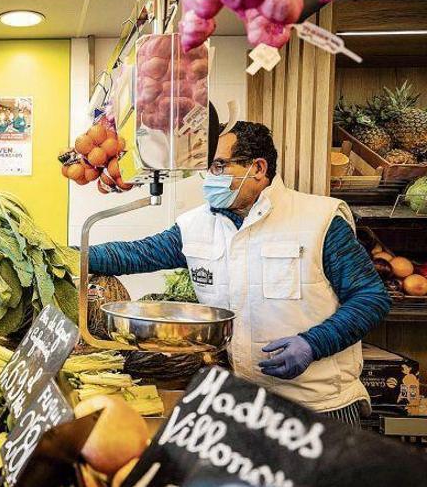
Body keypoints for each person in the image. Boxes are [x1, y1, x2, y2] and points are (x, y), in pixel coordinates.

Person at [89, 122, 391, 425]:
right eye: (206, 168)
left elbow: (371, 298)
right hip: (243, 404)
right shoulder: (197, 225)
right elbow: (135, 254)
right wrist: (63, 254)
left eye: (219, 166)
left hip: (320, 405)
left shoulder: (319, 220)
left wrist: (314, 344)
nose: (209, 178)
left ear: (258, 168)